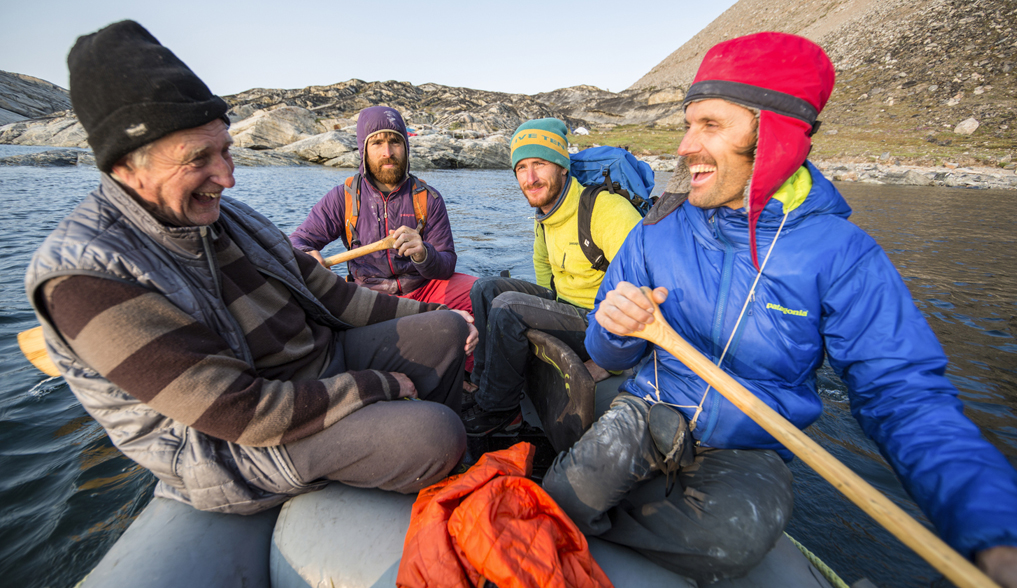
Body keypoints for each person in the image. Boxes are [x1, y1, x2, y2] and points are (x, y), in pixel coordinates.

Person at [542, 32, 1017, 588]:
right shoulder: (657, 230)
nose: (686, 146)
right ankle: (577, 502)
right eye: (688, 124)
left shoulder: (843, 256)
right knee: (589, 473)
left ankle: (583, 517)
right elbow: (603, 352)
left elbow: (906, 399)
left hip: (748, 445)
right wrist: (614, 327)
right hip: (651, 406)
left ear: (772, 134)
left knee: (736, 539)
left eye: (710, 124)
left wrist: (1000, 538)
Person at [24, 20, 478, 515]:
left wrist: (425, 317)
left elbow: (331, 295)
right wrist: (378, 387)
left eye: (226, 149)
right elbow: (241, 410)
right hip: (238, 443)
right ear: (125, 166)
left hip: (318, 365)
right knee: (437, 432)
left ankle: (422, 464)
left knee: (447, 329)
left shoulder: (226, 214)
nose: (227, 177)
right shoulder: (87, 274)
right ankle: (419, 465)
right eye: (200, 158)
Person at [463, 118, 643, 436]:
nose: (529, 178)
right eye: (521, 168)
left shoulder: (607, 211)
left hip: (600, 323)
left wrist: (608, 362)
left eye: (540, 164)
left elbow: (649, 292)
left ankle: (500, 412)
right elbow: (547, 282)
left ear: (562, 166)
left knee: (508, 306)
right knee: (485, 288)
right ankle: (482, 387)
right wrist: (544, 317)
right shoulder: (546, 215)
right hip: (567, 308)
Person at [289, 106, 478, 371]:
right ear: (363, 150)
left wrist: (424, 253)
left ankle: (468, 376)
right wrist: (308, 257)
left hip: (421, 289)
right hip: (367, 297)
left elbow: (446, 265)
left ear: (406, 147)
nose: (387, 152)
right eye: (377, 142)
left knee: (479, 295)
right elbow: (297, 242)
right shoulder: (342, 198)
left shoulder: (429, 198)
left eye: (394, 142)